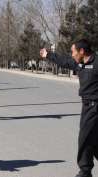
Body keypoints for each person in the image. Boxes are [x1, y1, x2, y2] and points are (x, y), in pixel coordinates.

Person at [40, 39, 98, 177]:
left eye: (73, 52)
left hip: (95, 106)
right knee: (93, 140)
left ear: (82, 51)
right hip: (87, 106)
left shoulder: (96, 63)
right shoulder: (79, 63)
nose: (72, 55)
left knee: (85, 138)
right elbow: (64, 61)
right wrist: (48, 55)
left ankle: (85, 171)